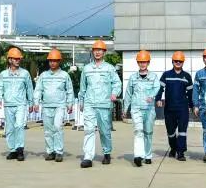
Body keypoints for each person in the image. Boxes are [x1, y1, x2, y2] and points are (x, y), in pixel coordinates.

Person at [79, 39, 121, 168]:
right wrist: (81, 101)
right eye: (95, 50)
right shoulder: (86, 69)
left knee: (104, 131)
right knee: (89, 130)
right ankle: (88, 157)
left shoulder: (109, 68)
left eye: (100, 50)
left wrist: (114, 93)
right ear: (92, 52)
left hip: (104, 104)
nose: (97, 52)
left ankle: (107, 153)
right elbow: (83, 87)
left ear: (104, 52)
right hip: (90, 104)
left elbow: (117, 83)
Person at [32, 48, 75, 162]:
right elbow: (38, 90)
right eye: (51, 60)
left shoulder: (64, 75)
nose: (52, 63)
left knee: (57, 127)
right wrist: (36, 102)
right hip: (46, 106)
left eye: (55, 60)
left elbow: (69, 90)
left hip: (59, 106)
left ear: (59, 61)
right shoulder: (43, 75)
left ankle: (59, 152)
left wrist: (69, 104)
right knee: (48, 130)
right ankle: (50, 151)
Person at [0, 47, 34, 161]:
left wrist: (31, 102)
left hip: (20, 104)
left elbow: (29, 88)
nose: (17, 60)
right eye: (15, 58)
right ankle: (13, 150)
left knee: (19, 125)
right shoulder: (3, 74)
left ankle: (20, 149)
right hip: (8, 104)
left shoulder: (25, 73)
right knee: (10, 128)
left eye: (19, 58)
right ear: (10, 59)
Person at [123, 50, 160, 167]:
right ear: (137, 63)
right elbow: (128, 94)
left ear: (148, 63)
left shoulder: (153, 77)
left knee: (148, 133)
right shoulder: (133, 78)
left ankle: (148, 155)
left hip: (149, 109)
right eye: (140, 62)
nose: (142, 64)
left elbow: (157, 88)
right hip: (136, 109)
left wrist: (152, 96)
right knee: (138, 131)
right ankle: (138, 156)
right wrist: (125, 109)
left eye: (144, 62)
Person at [156, 51, 193, 161]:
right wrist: (158, 99)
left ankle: (181, 152)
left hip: (182, 109)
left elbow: (191, 93)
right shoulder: (166, 75)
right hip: (169, 108)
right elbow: (160, 88)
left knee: (182, 132)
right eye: (176, 61)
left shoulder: (187, 76)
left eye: (180, 61)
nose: (178, 62)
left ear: (183, 62)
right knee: (171, 132)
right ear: (172, 61)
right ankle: (173, 148)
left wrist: (191, 105)